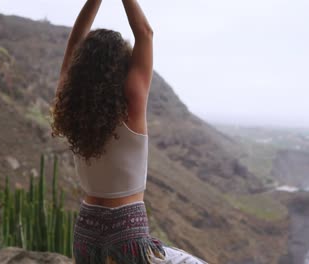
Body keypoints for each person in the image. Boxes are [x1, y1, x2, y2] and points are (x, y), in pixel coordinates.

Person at [51, 0, 208, 263]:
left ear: (79, 67)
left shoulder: (72, 104)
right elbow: (144, 33)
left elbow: (74, 40)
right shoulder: (132, 102)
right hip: (125, 230)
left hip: (86, 231)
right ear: (122, 64)